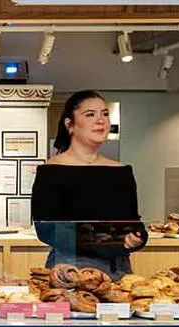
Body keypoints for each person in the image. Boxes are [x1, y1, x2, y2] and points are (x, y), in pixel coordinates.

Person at [30, 90, 147, 279]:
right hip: (71, 269)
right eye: (90, 114)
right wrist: (109, 242)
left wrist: (138, 237)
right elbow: (48, 230)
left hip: (120, 269)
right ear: (70, 125)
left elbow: (132, 221)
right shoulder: (52, 170)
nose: (100, 120)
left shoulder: (121, 170)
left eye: (105, 114)